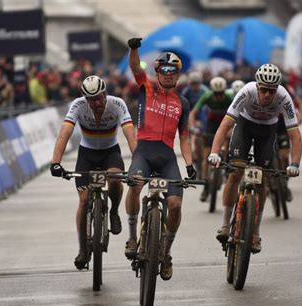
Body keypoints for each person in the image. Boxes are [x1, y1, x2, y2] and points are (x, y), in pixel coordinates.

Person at [208, 63, 302, 253]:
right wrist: (214, 152)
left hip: (267, 131)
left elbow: (295, 135)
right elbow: (225, 125)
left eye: (271, 91)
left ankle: (255, 233)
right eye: (264, 90)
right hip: (245, 125)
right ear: (257, 86)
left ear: (277, 89)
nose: (267, 95)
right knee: (235, 174)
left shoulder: (284, 97)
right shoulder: (246, 92)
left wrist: (294, 164)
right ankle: (226, 223)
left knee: (262, 180)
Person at [125, 38, 196, 281]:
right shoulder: (147, 88)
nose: (168, 74)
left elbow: (184, 138)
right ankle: (133, 237)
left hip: (167, 157)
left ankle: (165, 254)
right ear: (158, 72)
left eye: (173, 71)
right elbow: (135, 68)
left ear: (178, 75)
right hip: (143, 153)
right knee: (134, 185)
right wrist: (134, 49)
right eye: (164, 70)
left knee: (175, 205)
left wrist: (189, 164)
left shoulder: (183, 103)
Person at [50, 75, 137, 270]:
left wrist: (137, 160)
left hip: (110, 152)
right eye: (92, 100)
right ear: (85, 99)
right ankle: (82, 248)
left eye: (100, 97)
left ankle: (114, 212)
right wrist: (56, 162)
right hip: (87, 154)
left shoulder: (117, 104)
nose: (97, 102)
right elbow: (65, 132)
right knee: (83, 200)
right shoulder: (78, 105)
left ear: (105, 93)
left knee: (115, 179)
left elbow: (130, 134)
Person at [189, 76, 234, 201]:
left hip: (225, 124)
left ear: (224, 91)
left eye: (221, 94)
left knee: (227, 143)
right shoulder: (207, 96)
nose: (219, 96)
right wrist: (193, 127)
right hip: (211, 125)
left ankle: (225, 166)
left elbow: (240, 114)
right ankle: (206, 183)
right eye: (216, 94)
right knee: (206, 157)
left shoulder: (230, 98)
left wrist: (234, 129)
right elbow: (193, 113)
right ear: (212, 92)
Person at [275, 72, 302, 201]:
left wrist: (300, 116)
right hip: (268, 122)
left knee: (283, 155)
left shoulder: (288, 90)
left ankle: (284, 184)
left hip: (282, 123)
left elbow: (298, 103)